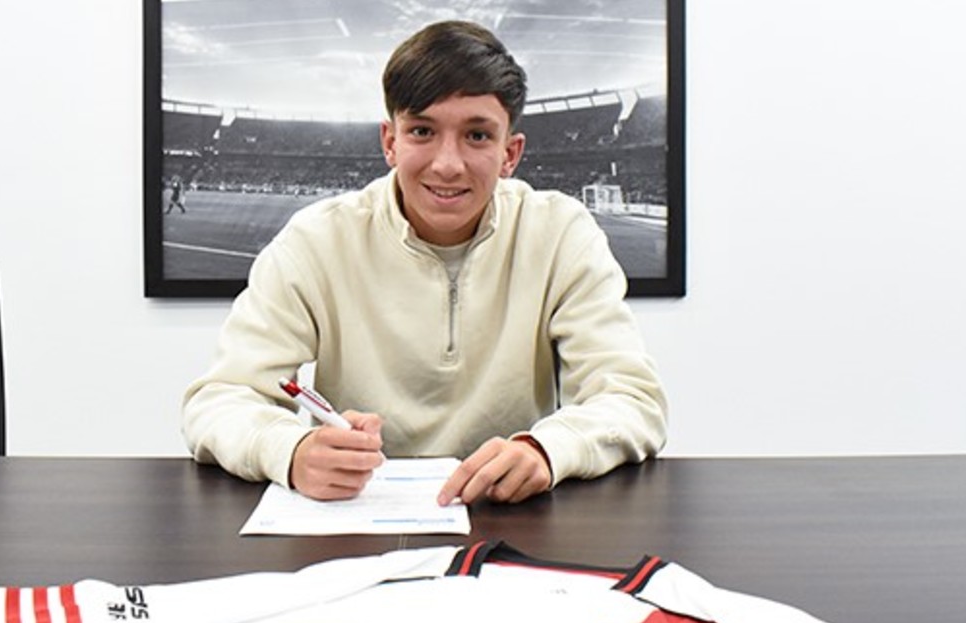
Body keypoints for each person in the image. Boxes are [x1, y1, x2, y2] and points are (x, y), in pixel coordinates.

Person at [182, 20, 666, 505]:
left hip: (508, 518)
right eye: (421, 131)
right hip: (353, 517)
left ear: (510, 153)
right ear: (390, 142)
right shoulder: (315, 240)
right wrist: (291, 450)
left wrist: (547, 450)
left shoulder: (561, 233)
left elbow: (631, 398)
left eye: (477, 135)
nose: (447, 164)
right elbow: (220, 400)